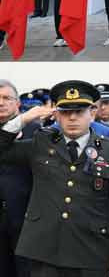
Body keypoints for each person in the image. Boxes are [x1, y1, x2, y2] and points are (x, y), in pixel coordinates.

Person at [0, 80, 109, 277]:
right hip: (45, 251)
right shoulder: (41, 144)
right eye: (65, 112)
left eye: (79, 111)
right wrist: (23, 119)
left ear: (92, 112)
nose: (72, 118)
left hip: (93, 250)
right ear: (56, 114)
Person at [0, 80, 38, 277]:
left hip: (27, 222)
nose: (1, 103)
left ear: (18, 104)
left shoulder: (37, 132)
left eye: (6, 98)